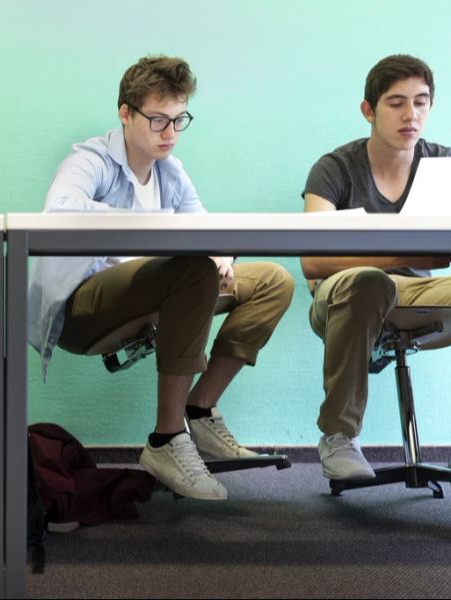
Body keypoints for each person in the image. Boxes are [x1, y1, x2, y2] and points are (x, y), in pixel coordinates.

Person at [28, 55, 293, 501]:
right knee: (190, 268)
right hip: (83, 306)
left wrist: (222, 257)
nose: (169, 133)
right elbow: (59, 209)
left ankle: (199, 409)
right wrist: (161, 242)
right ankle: (167, 438)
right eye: (157, 120)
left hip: (166, 288)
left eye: (178, 119)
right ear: (125, 113)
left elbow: (205, 230)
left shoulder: (171, 171)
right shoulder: (91, 158)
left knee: (272, 280)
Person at [301, 54, 451, 481]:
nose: (411, 115)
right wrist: (399, 257)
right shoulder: (335, 168)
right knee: (368, 281)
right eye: (396, 102)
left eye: (421, 102)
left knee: (381, 282)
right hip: (341, 295)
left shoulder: (444, 164)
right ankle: (339, 434)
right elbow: (313, 260)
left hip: (417, 294)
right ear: (369, 110)